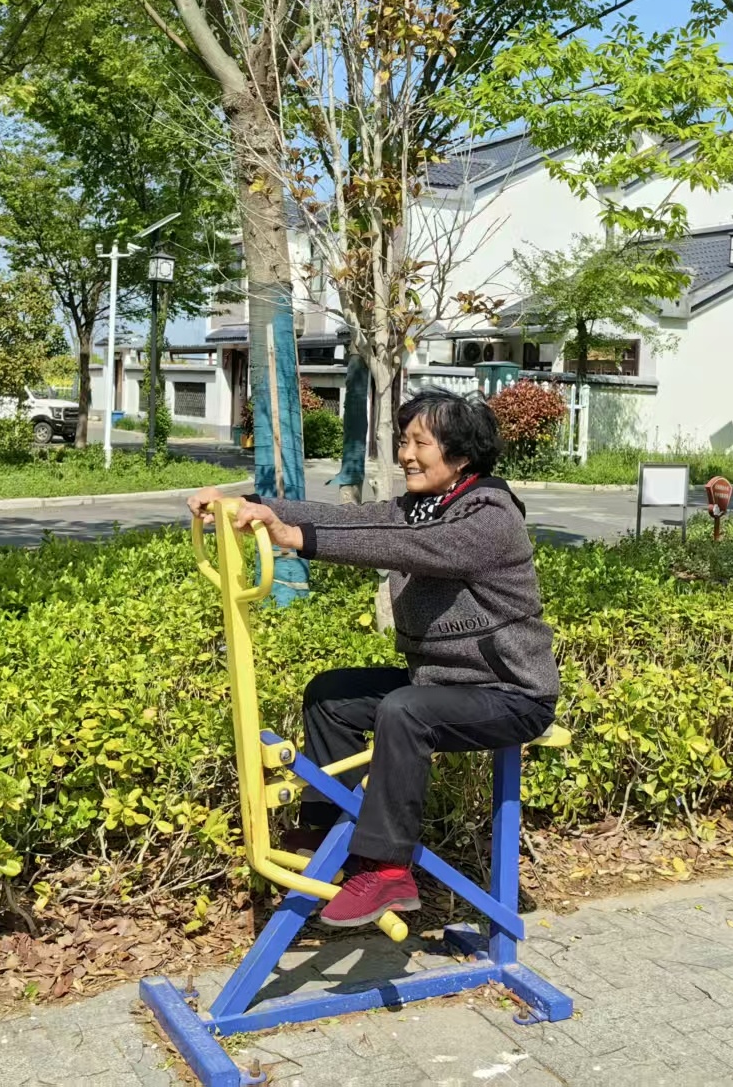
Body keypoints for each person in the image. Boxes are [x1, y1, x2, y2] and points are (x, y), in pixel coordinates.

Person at [187, 388, 556, 929]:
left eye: (420, 443)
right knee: (331, 696)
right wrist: (252, 507)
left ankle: (387, 871)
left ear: (459, 455)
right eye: (403, 442)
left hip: (511, 693)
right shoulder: (421, 506)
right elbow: (359, 520)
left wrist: (296, 538)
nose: (406, 454)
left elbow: (407, 546)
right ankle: (326, 827)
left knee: (405, 711)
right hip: (442, 684)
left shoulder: (489, 515)